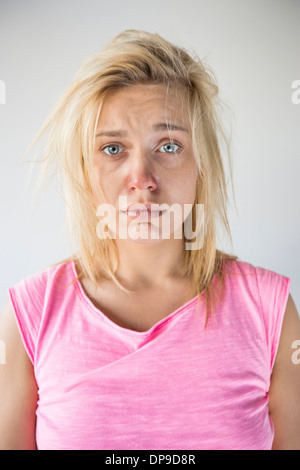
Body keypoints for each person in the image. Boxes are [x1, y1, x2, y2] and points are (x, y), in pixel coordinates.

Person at [0, 30, 299, 451]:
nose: (141, 178)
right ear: (85, 170)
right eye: (113, 149)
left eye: (169, 145)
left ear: (203, 166)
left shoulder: (270, 311)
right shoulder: (29, 315)